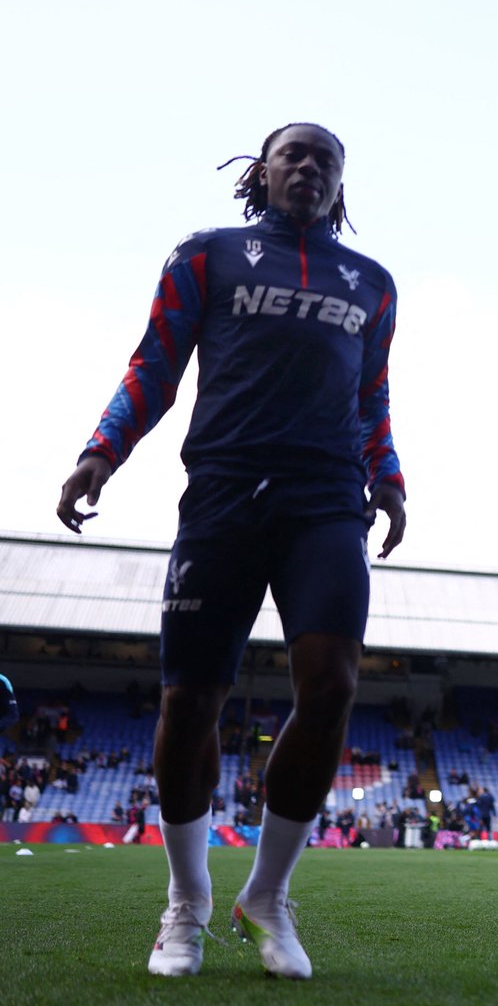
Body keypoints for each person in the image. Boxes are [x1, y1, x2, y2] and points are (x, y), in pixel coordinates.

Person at [54, 123, 405, 979]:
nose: (311, 168)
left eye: (328, 159)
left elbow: (372, 394)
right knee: (189, 704)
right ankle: (187, 899)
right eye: (296, 154)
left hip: (326, 501)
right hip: (223, 491)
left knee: (332, 687)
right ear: (262, 170)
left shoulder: (373, 284)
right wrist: (102, 450)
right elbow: (155, 364)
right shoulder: (208, 255)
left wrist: (387, 475)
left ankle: (267, 895)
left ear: (341, 185)